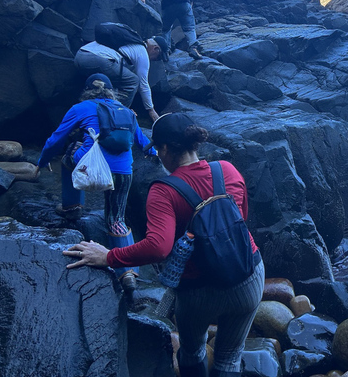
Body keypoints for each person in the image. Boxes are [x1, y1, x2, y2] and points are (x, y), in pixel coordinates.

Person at [64, 113, 264, 377]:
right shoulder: (227, 169)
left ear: (166, 148)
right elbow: (241, 219)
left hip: (199, 292)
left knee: (192, 352)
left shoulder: (164, 190)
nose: (158, 155)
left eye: (157, 149)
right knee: (229, 358)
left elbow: (159, 247)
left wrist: (109, 257)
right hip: (248, 277)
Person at [36, 74, 157, 294]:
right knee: (116, 218)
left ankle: (72, 207)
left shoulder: (80, 107)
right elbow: (142, 141)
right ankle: (127, 272)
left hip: (90, 166)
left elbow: (56, 139)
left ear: (87, 90)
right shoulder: (125, 111)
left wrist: (41, 162)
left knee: (68, 154)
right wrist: (157, 153)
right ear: (111, 92)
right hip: (122, 172)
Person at [75, 23, 168, 121]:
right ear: (155, 49)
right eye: (158, 57)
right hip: (98, 60)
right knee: (133, 81)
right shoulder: (142, 52)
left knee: (111, 82)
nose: (155, 60)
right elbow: (143, 84)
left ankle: (93, 107)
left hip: (80, 55)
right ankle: (118, 115)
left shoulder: (129, 41)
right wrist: (151, 110)